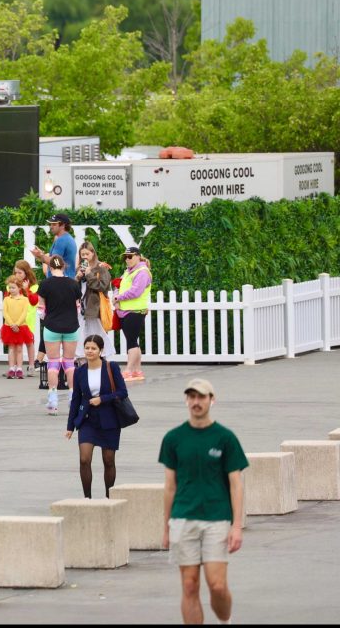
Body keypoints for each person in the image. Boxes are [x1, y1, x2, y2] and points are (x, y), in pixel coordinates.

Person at [159, 379, 248, 626]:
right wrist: (166, 526)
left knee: (217, 585)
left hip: (217, 518)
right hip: (182, 517)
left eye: (202, 397)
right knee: (189, 584)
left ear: (212, 400)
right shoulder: (174, 438)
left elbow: (236, 484)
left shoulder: (225, 438)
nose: (196, 402)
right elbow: (169, 486)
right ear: (187, 400)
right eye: (192, 397)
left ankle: (225, 619)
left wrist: (237, 526)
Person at [65, 335, 128, 498]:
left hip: (109, 419)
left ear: (101, 350)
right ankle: (87, 498)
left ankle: (109, 497)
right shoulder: (79, 372)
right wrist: (70, 426)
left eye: (93, 348)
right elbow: (76, 399)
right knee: (84, 459)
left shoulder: (111, 367)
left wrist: (102, 399)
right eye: (87, 348)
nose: (90, 351)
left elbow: (122, 392)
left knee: (108, 460)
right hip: (87, 420)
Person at [37, 256, 82, 415]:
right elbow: (78, 307)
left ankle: (53, 400)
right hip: (71, 326)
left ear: (49, 267)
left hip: (52, 326)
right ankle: (72, 398)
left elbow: (41, 309)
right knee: (69, 363)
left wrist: (46, 316)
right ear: (64, 266)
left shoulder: (45, 284)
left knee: (53, 363)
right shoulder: (73, 284)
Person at [116, 247, 153, 382]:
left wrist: (118, 298)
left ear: (138, 256)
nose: (127, 259)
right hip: (127, 311)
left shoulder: (142, 272)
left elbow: (135, 292)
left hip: (135, 311)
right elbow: (118, 285)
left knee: (131, 342)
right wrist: (117, 297)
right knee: (133, 341)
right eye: (125, 257)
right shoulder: (128, 272)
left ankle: (128, 371)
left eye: (130, 256)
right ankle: (137, 371)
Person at [75, 242, 116, 358]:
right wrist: (77, 278)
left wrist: (89, 274)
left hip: (94, 307)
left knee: (97, 332)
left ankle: (105, 355)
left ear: (93, 253)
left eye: (87, 254)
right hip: (80, 307)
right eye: (82, 254)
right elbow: (74, 289)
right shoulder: (79, 268)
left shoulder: (101, 268)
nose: (85, 257)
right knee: (80, 332)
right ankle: (81, 357)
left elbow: (103, 287)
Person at [0, 278, 34, 379]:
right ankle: (11, 368)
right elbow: (5, 312)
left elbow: (24, 313)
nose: (11, 290)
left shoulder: (24, 299)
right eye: (10, 288)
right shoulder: (6, 299)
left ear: (19, 288)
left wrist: (17, 324)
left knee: (19, 348)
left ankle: (19, 368)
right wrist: (12, 324)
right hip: (9, 327)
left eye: (13, 288)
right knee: (11, 348)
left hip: (21, 327)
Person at [13, 260, 40, 377]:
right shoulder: (12, 285)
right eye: (16, 273)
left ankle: (31, 366)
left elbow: (34, 301)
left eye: (20, 273)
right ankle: (14, 366)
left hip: (28, 320)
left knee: (29, 343)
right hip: (15, 318)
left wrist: (26, 289)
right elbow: (7, 298)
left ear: (26, 273)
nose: (17, 275)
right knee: (14, 343)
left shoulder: (34, 287)